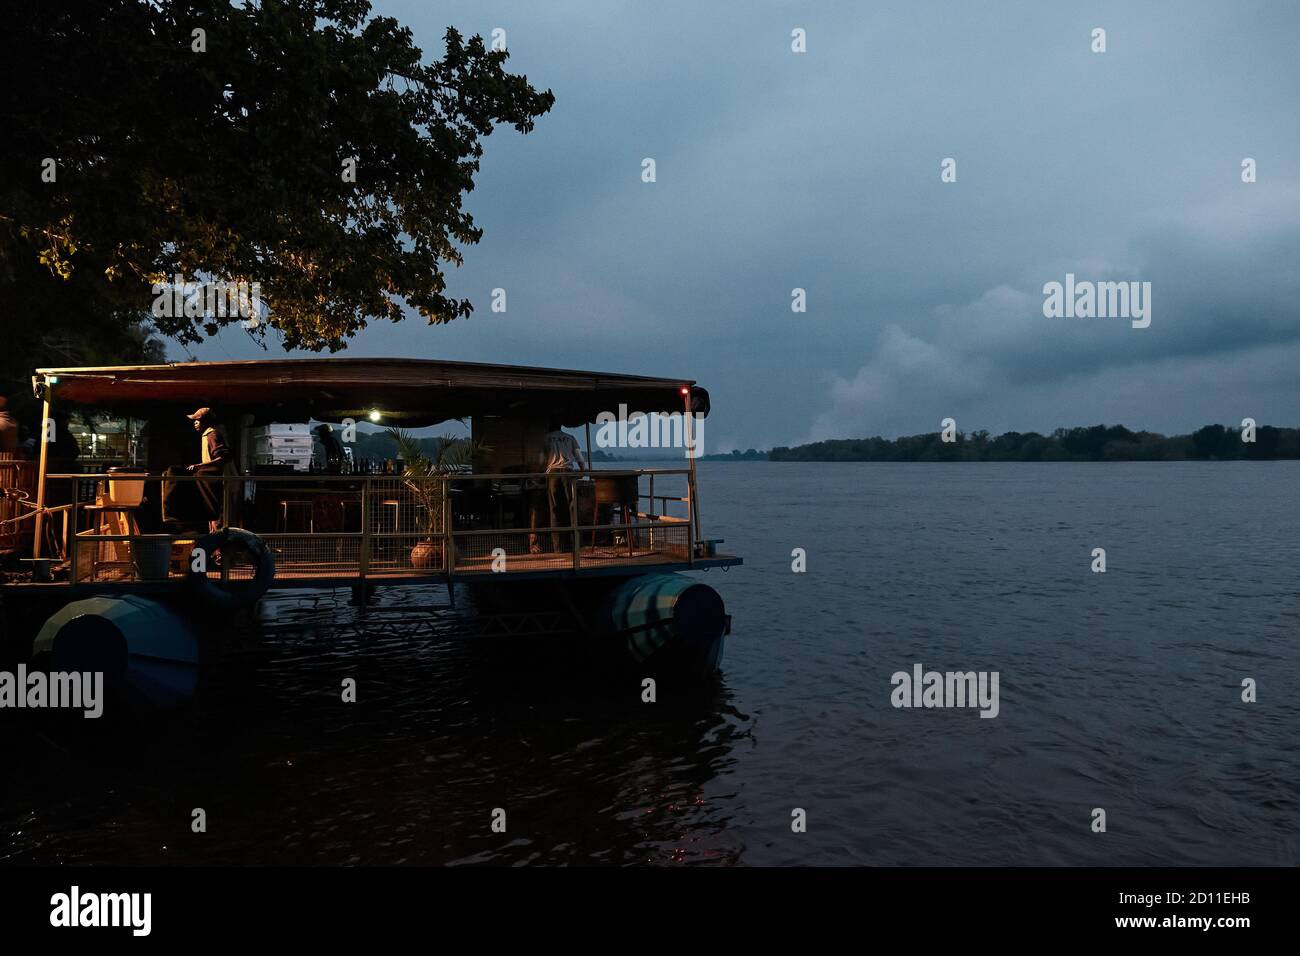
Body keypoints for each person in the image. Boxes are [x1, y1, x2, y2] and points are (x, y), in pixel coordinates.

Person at [186, 407, 236, 532]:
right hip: (211, 481)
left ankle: (219, 550)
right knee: (212, 516)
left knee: (218, 517)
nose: (195, 423)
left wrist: (199, 466)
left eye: (197, 420)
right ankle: (215, 548)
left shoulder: (212, 435)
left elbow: (223, 458)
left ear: (205, 421)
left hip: (217, 481)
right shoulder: (206, 435)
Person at [540, 418, 586, 553]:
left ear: (550, 426)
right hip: (568, 473)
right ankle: (576, 545)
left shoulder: (547, 438)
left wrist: (540, 473)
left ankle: (558, 548)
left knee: (554, 509)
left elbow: (542, 460)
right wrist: (582, 470)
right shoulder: (570, 437)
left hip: (553, 474)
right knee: (572, 507)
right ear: (561, 427)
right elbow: (579, 457)